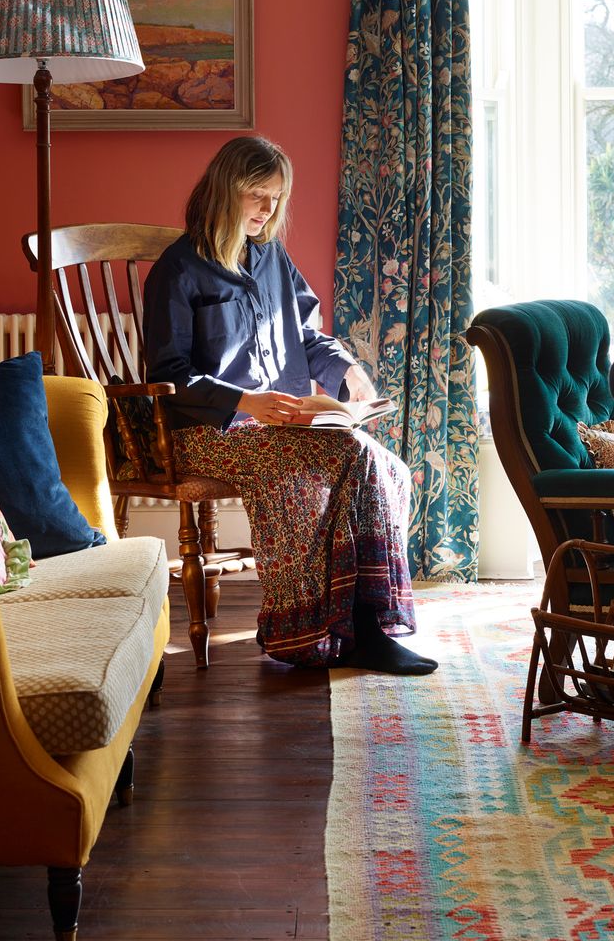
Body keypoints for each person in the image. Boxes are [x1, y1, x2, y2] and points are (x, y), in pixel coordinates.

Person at [143, 135, 437, 675]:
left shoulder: (271, 256)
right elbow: (168, 378)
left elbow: (306, 332)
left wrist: (347, 371)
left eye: (277, 198)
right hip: (211, 432)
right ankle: (310, 631)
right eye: (257, 195)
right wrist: (245, 399)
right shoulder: (177, 270)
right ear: (224, 191)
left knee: (383, 465)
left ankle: (359, 626)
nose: (269, 210)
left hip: (281, 424)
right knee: (327, 465)